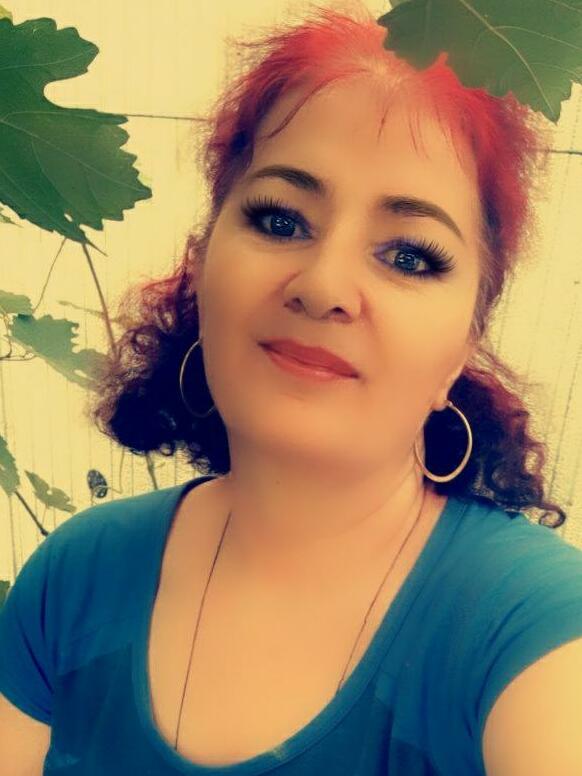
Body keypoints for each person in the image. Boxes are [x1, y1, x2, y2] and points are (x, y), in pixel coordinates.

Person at [1, 3, 581, 775]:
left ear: (464, 346)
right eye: (280, 220)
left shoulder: (533, 627)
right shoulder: (75, 577)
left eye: (409, 256)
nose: (324, 285)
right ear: (203, 263)